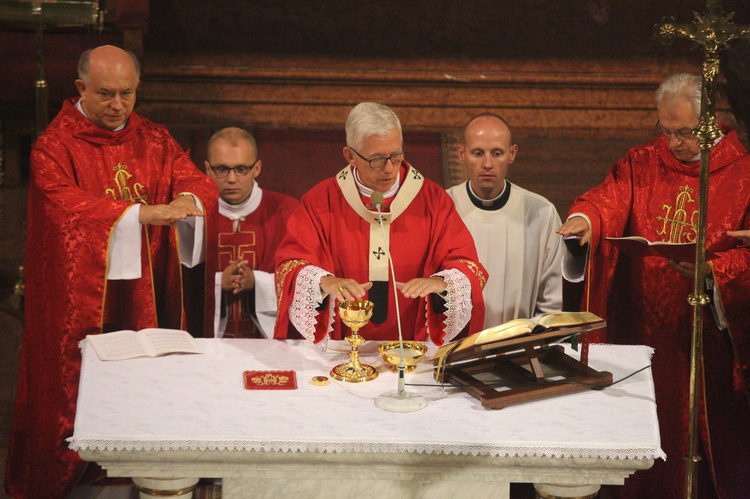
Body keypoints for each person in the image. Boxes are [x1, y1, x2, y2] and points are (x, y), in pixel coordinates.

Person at [5, 45, 217, 499]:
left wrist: (189, 203)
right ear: (81, 88)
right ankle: (68, 477)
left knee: (145, 373)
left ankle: (140, 470)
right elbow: (63, 206)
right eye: (105, 94)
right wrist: (137, 215)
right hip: (80, 294)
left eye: (127, 93)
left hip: (147, 288)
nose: (118, 105)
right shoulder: (54, 145)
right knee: (74, 379)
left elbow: (196, 181)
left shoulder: (155, 139)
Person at [556, 73, 750, 499]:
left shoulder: (744, 173)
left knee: (702, 438)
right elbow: (606, 198)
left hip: (707, 340)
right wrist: (584, 220)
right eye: (666, 131)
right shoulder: (641, 162)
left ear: (712, 123)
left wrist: (716, 272)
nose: (674, 143)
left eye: (684, 133)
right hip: (642, 328)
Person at [274, 102, 487, 345]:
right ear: (350, 155)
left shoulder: (433, 199)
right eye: (376, 160)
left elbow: (468, 265)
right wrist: (322, 282)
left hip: (414, 344)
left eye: (396, 155)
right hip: (341, 345)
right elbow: (289, 265)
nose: (389, 169)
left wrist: (441, 282)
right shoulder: (321, 201)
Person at [446, 113, 563, 328]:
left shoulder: (541, 213)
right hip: (454, 351)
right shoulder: (443, 207)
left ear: (512, 153)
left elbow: (551, 303)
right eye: (478, 153)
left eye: (497, 153)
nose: (487, 163)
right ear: (462, 154)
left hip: (520, 350)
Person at [201, 127, 298, 337]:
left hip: (270, 344)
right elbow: (174, 286)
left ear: (257, 168)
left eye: (241, 169)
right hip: (208, 342)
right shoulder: (192, 215)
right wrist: (219, 283)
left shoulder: (289, 212)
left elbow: (307, 281)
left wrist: (257, 282)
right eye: (222, 169)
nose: (232, 179)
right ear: (208, 169)